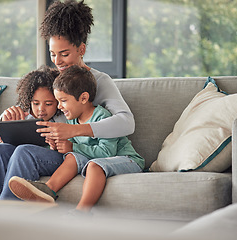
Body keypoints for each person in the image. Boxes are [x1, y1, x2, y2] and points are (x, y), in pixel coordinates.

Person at [0, 0, 135, 200]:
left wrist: (73, 131)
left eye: (64, 54)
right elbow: (36, 115)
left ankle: (8, 216)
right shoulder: (50, 78)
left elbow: (127, 122)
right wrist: (12, 122)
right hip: (45, 146)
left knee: (24, 153)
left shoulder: (100, 81)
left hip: (71, 152)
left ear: (81, 50)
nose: (57, 62)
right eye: (53, 54)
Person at [9, 66, 144, 212]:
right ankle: (48, 190)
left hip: (126, 158)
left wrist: (73, 147)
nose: (59, 106)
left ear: (84, 98)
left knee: (94, 166)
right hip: (95, 158)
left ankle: (82, 211)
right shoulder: (72, 120)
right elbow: (73, 147)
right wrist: (58, 145)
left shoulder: (102, 117)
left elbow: (107, 152)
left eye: (63, 101)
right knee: (72, 157)